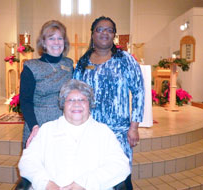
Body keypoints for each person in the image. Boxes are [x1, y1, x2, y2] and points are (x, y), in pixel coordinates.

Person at [18, 79, 130, 190]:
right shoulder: (47, 129)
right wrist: (46, 184)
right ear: (63, 105)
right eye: (70, 100)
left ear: (89, 104)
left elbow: (120, 165)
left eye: (82, 100)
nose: (76, 104)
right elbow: (28, 161)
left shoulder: (103, 132)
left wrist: (85, 184)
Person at [73, 16, 145, 189]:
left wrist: (134, 127)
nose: (104, 32)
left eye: (109, 30)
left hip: (118, 132)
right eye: (100, 29)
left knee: (120, 176)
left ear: (114, 35)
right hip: (89, 130)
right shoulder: (83, 62)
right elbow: (74, 95)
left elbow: (139, 93)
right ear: (92, 34)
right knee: (93, 175)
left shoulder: (125, 60)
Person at [20, 20, 73, 148]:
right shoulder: (31, 67)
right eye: (51, 38)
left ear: (64, 42)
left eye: (60, 38)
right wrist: (34, 126)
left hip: (63, 123)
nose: (56, 42)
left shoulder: (69, 64)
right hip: (39, 123)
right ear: (43, 42)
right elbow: (25, 101)